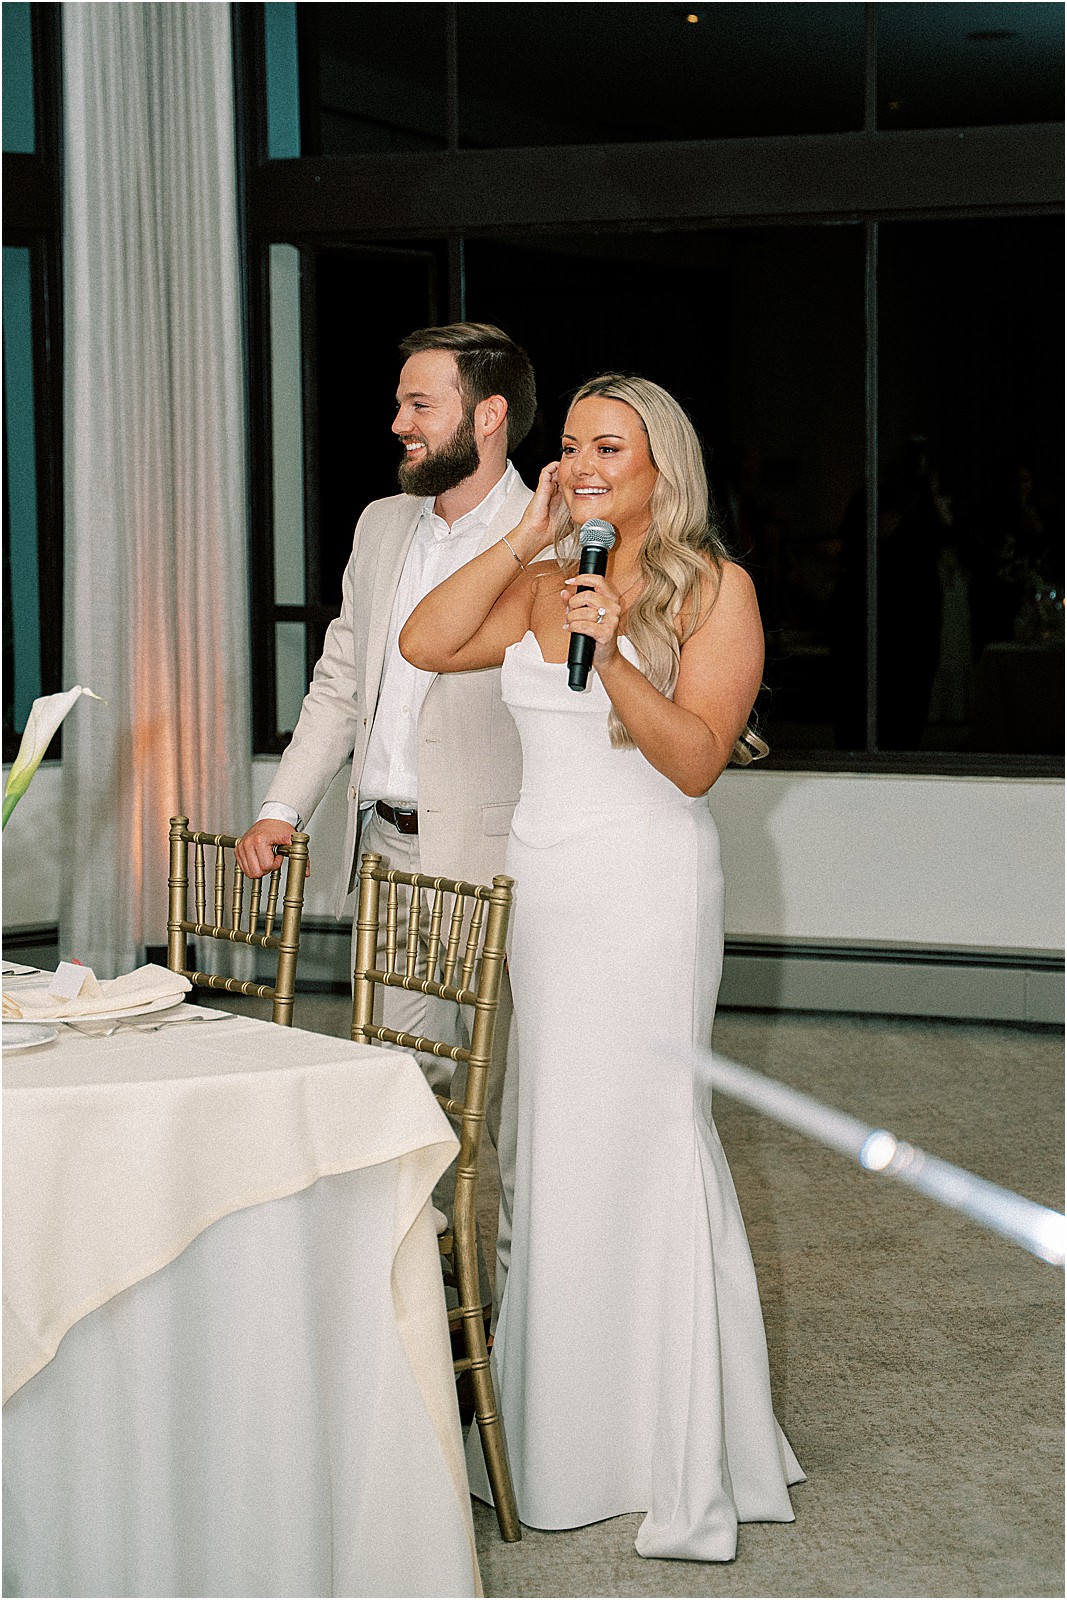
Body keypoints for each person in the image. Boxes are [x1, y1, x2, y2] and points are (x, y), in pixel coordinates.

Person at [400, 373, 804, 1560]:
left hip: (647, 889)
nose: (580, 462)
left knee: (642, 1137)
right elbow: (426, 639)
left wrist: (612, 650)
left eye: (606, 447)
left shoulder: (713, 589)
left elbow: (692, 764)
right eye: (569, 445)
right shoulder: (540, 575)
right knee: (554, 1146)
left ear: (657, 467)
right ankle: (562, 1429)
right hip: (551, 890)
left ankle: (668, 1437)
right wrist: (525, 538)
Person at [235, 322, 537, 1302]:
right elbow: (338, 681)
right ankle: (413, 1311)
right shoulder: (377, 525)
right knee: (395, 1096)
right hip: (388, 854)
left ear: (486, 417)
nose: (397, 422)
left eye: (420, 404)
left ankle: (513, 1337)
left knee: (513, 1116)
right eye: (401, 401)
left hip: (503, 865)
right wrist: (284, 807)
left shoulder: (548, 535)